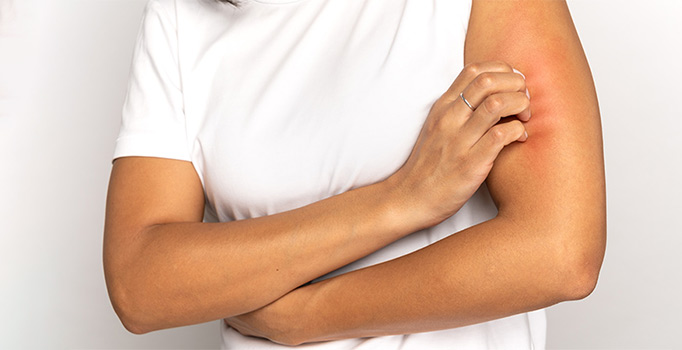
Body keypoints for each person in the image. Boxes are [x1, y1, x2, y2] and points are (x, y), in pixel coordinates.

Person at [103, 0, 606, 348]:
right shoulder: (180, 15)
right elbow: (140, 284)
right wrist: (400, 200)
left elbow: (559, 252)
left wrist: (306, 316)